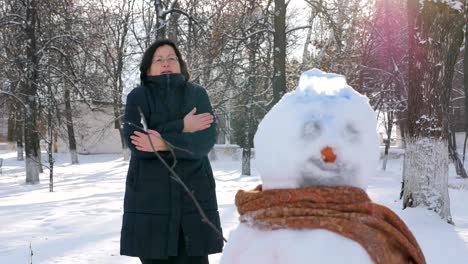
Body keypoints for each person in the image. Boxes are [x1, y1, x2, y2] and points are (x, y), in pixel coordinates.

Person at [120, 39, 224, 264]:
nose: (166, 63)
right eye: (159, 60)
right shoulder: (138, 97)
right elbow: (137, 142)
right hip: (149, 200)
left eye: (171, 59)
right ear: (148, 68)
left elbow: (204, 141)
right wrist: (183, 127)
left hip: (193, 195)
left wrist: (163, 142)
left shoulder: (197, 95)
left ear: (180, 64)